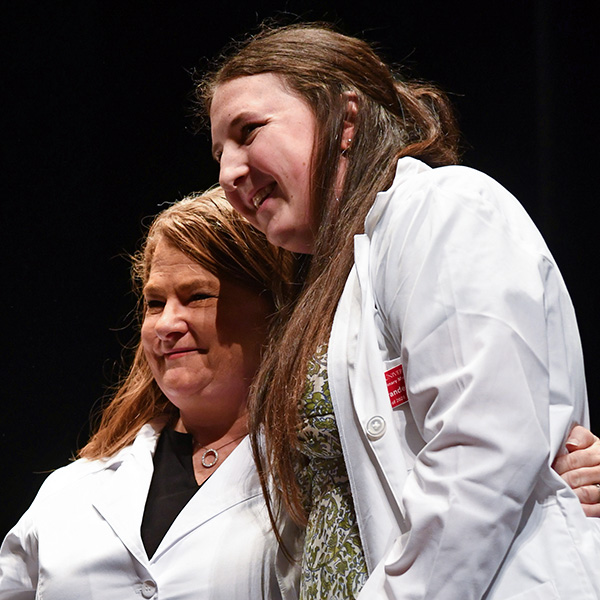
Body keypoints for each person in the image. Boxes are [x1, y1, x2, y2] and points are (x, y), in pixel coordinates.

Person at [202, 23, 600, 599]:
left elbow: (478, 457)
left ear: (347, 119)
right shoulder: (331, 283)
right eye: (219, 153)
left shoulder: (441, 209)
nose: (227, 173)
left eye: (249, 132)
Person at [0, 189, 300, 599]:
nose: (166, 325)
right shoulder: (72, 492)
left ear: (276, 307)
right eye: (155, 303)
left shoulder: (309, 480)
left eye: (197, 296)